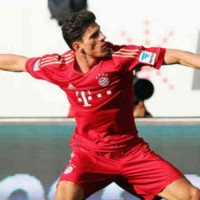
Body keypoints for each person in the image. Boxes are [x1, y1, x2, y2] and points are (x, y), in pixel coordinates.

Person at [0, 10, 200, 200]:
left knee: (192, 195)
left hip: (131, 152)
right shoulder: (58, 66)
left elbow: (175, 56)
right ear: (78, 47)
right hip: (88, 155)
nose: (103, 37)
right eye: (94, 35)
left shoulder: (121, 56)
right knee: (64, 196)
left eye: (100, 30)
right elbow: (19, 63)